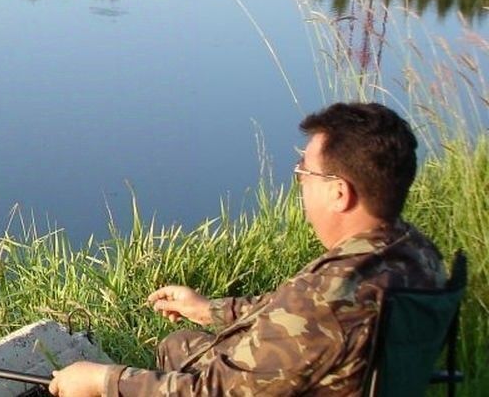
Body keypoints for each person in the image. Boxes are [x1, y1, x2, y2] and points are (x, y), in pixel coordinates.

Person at [49, 102, 446, 396]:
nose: (300, 183)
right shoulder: (419, 256)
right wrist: (208, 309)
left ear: (339, 192)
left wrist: (103, 380)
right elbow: (293, 314)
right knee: (177, 344)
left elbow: (212, 392)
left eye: (304, 173)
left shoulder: (326, 299)